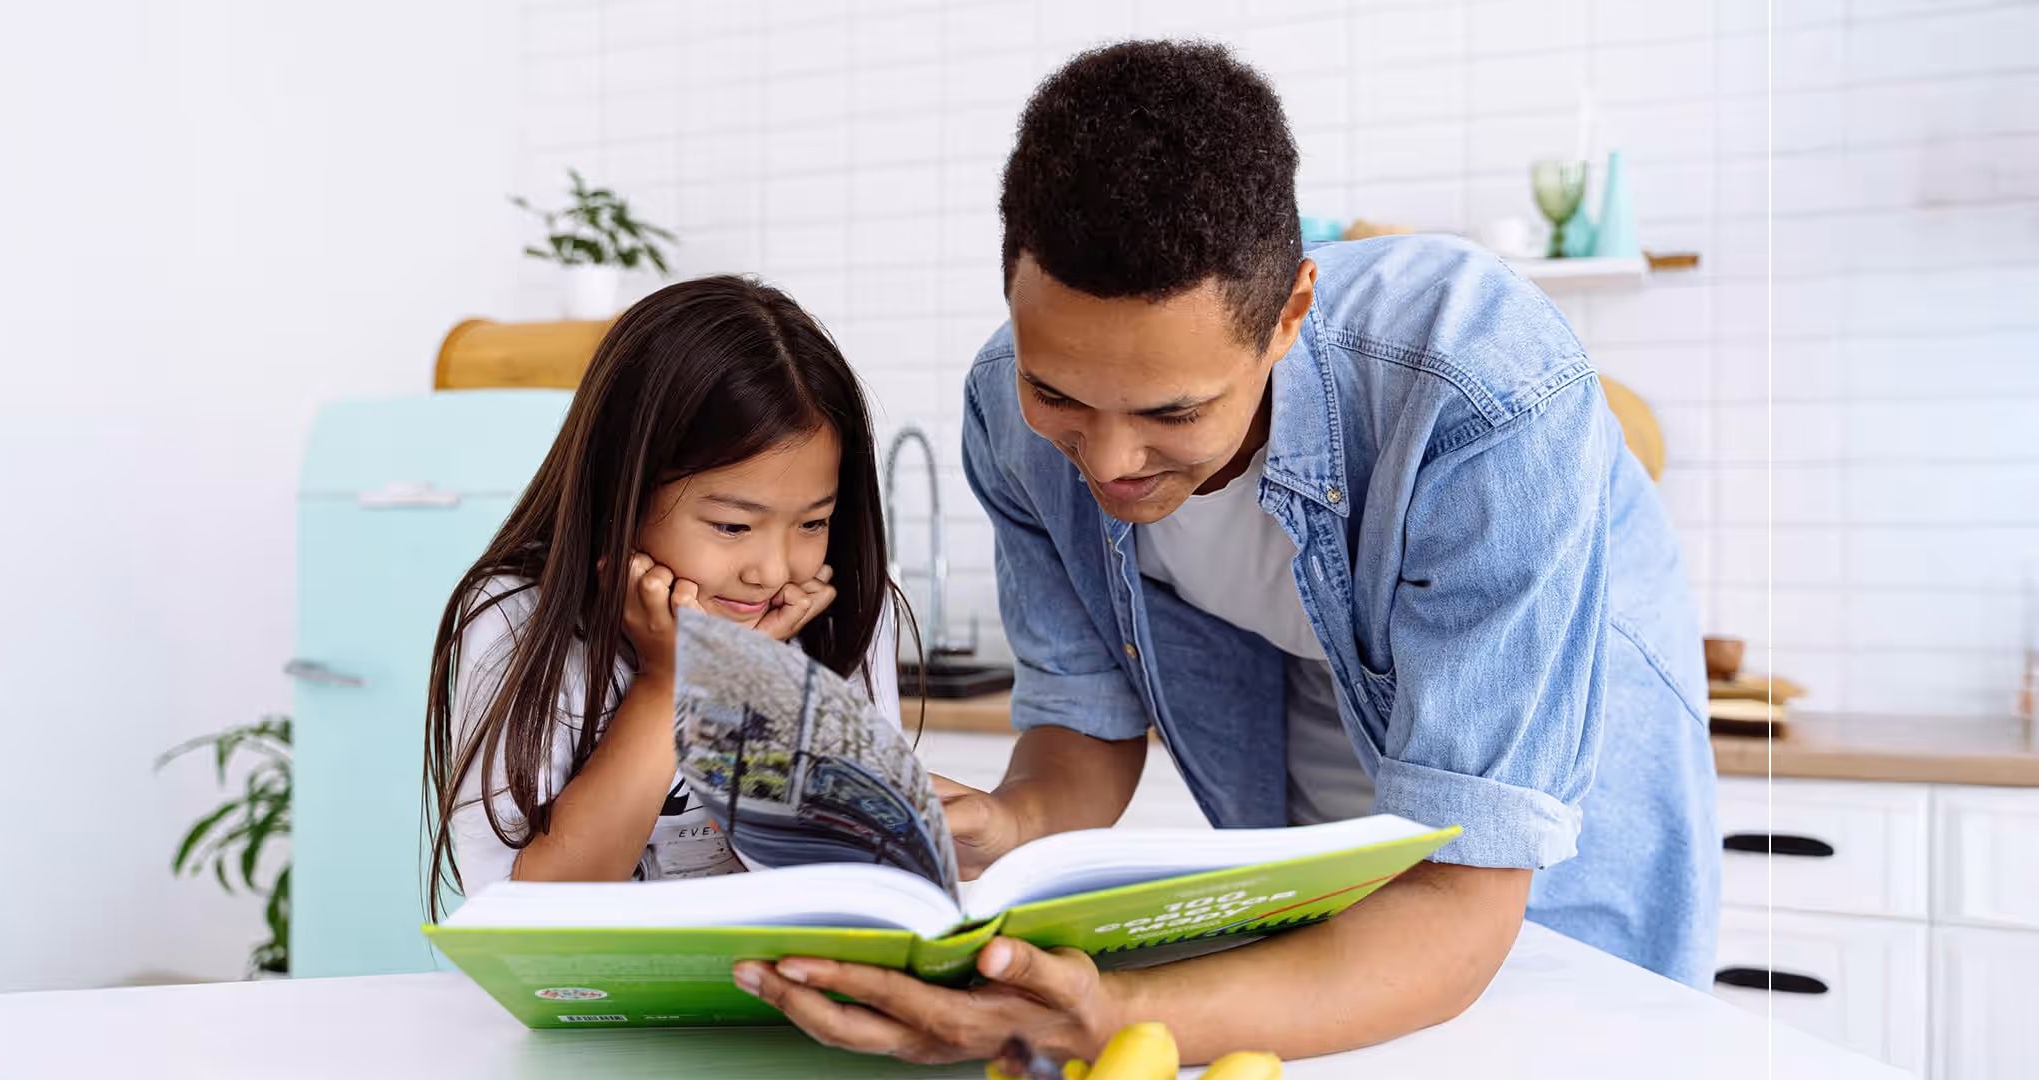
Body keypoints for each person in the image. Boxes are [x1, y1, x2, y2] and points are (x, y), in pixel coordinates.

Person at [731, 41, 1718, 1065]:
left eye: (1174, 410)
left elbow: (1464, 906)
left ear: (1290, 313)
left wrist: (1108, 1015)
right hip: (1313, 838)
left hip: (1534, 825)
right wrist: (1007, 822)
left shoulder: (1481, 387)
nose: (1107, 464)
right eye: (1058, 394)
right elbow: (1081, 724)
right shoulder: (1001, 407)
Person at [421, 275, 905, 916]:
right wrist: (669, 682)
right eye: (732, 526)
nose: (772, 570)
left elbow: (852, 883)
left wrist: (754, 676)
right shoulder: (521, 618)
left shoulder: (847, 614)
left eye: (812, 523)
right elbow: (533, 920)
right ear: (624, 492)